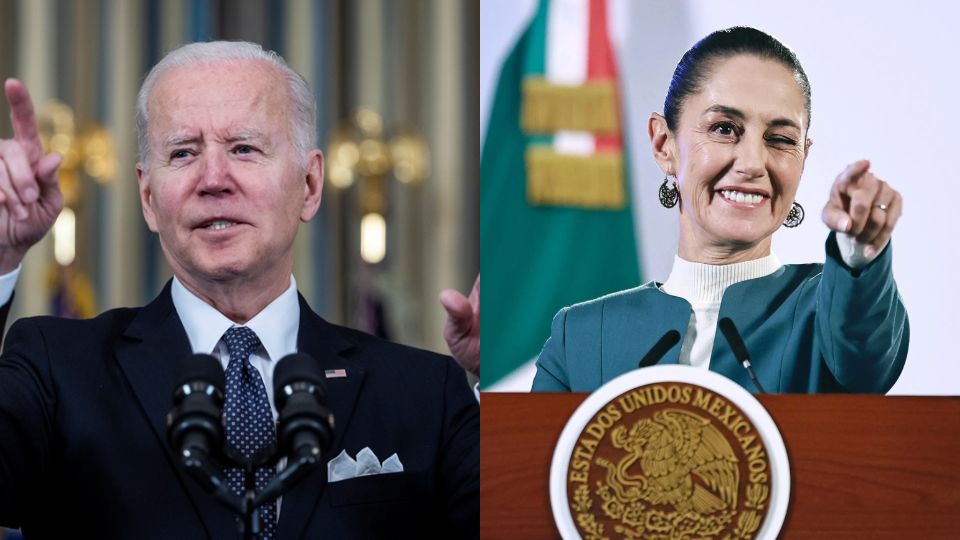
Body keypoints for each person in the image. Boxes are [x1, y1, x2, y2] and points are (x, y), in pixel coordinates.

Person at [0, 41, 478, 539]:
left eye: (244, 149)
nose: (213, 179)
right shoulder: (57, 369)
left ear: (310, 185)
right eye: (183, 152)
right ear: (147, 197)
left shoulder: (424, 392)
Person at [533, 27, 908, 393]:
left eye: (780, 139)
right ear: (664, 144)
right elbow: (534, 455)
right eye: (724, 128)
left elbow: (865, 360)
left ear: (803, 158)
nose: (753, 163)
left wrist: (860, 249)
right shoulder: (581, 337)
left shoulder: (828, 311)